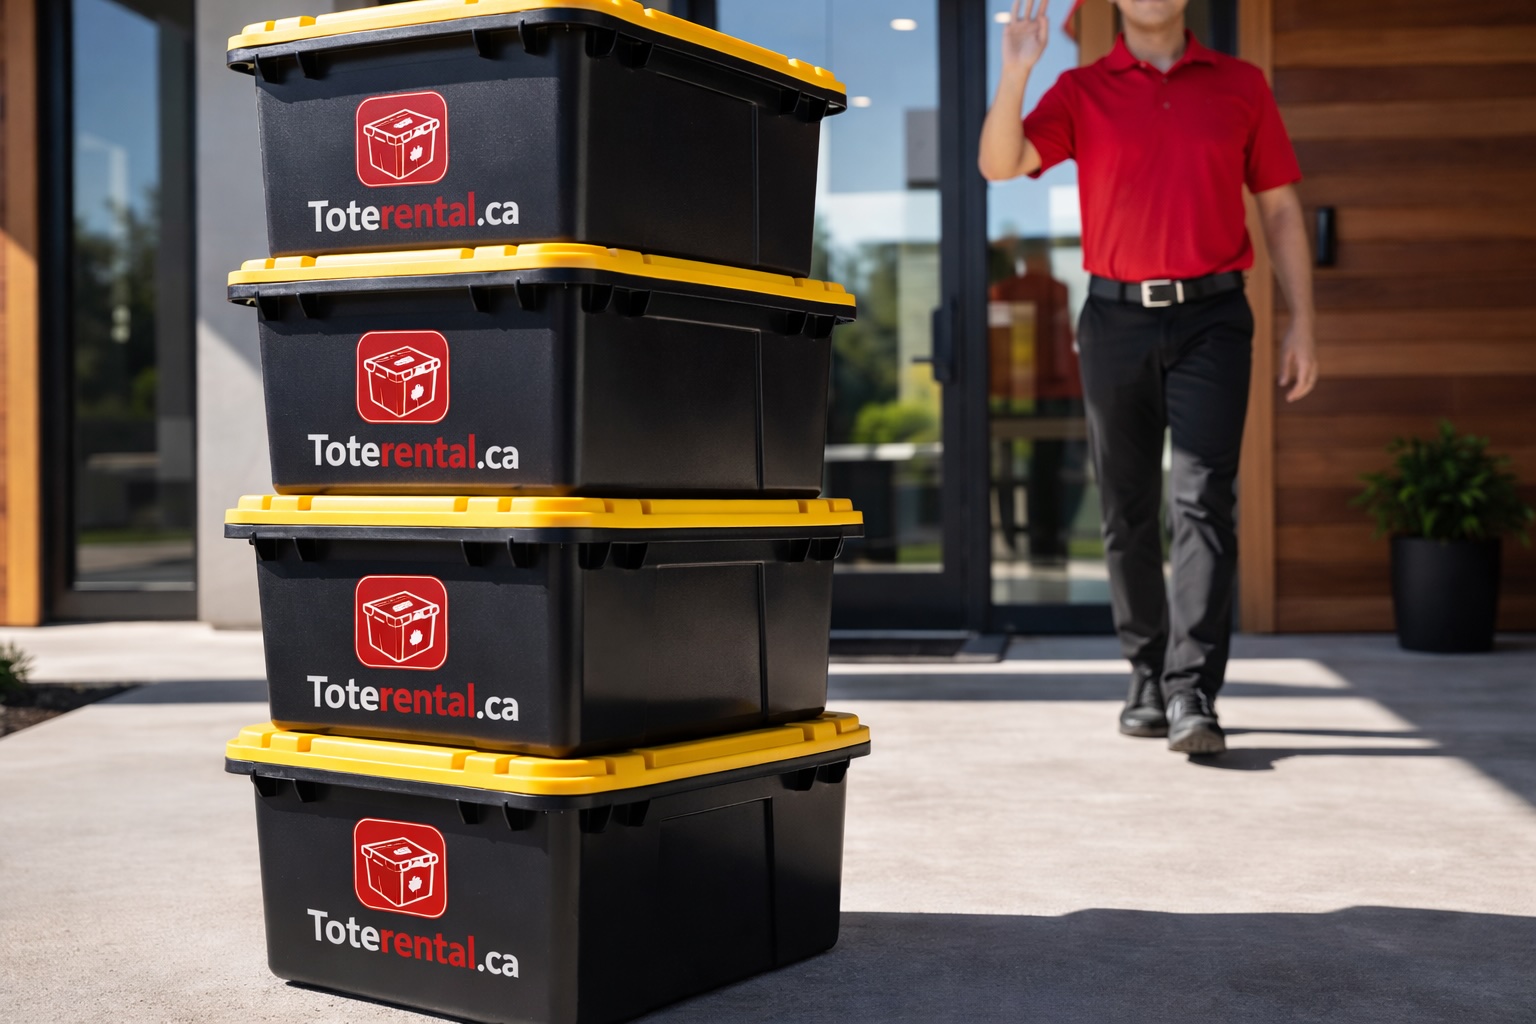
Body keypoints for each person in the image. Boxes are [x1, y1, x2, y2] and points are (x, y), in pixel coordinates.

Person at [978, 0, 1318, 755]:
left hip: (1214, 319)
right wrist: (1017, 72)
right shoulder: (1082, 90)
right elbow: (1000, 164)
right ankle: (1144, 672)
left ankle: (1192, 689)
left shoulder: (1241, 85)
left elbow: (1282, 210)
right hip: (1116, 318)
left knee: (1202, 500)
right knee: (1126, 507)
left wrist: (1303, 319)